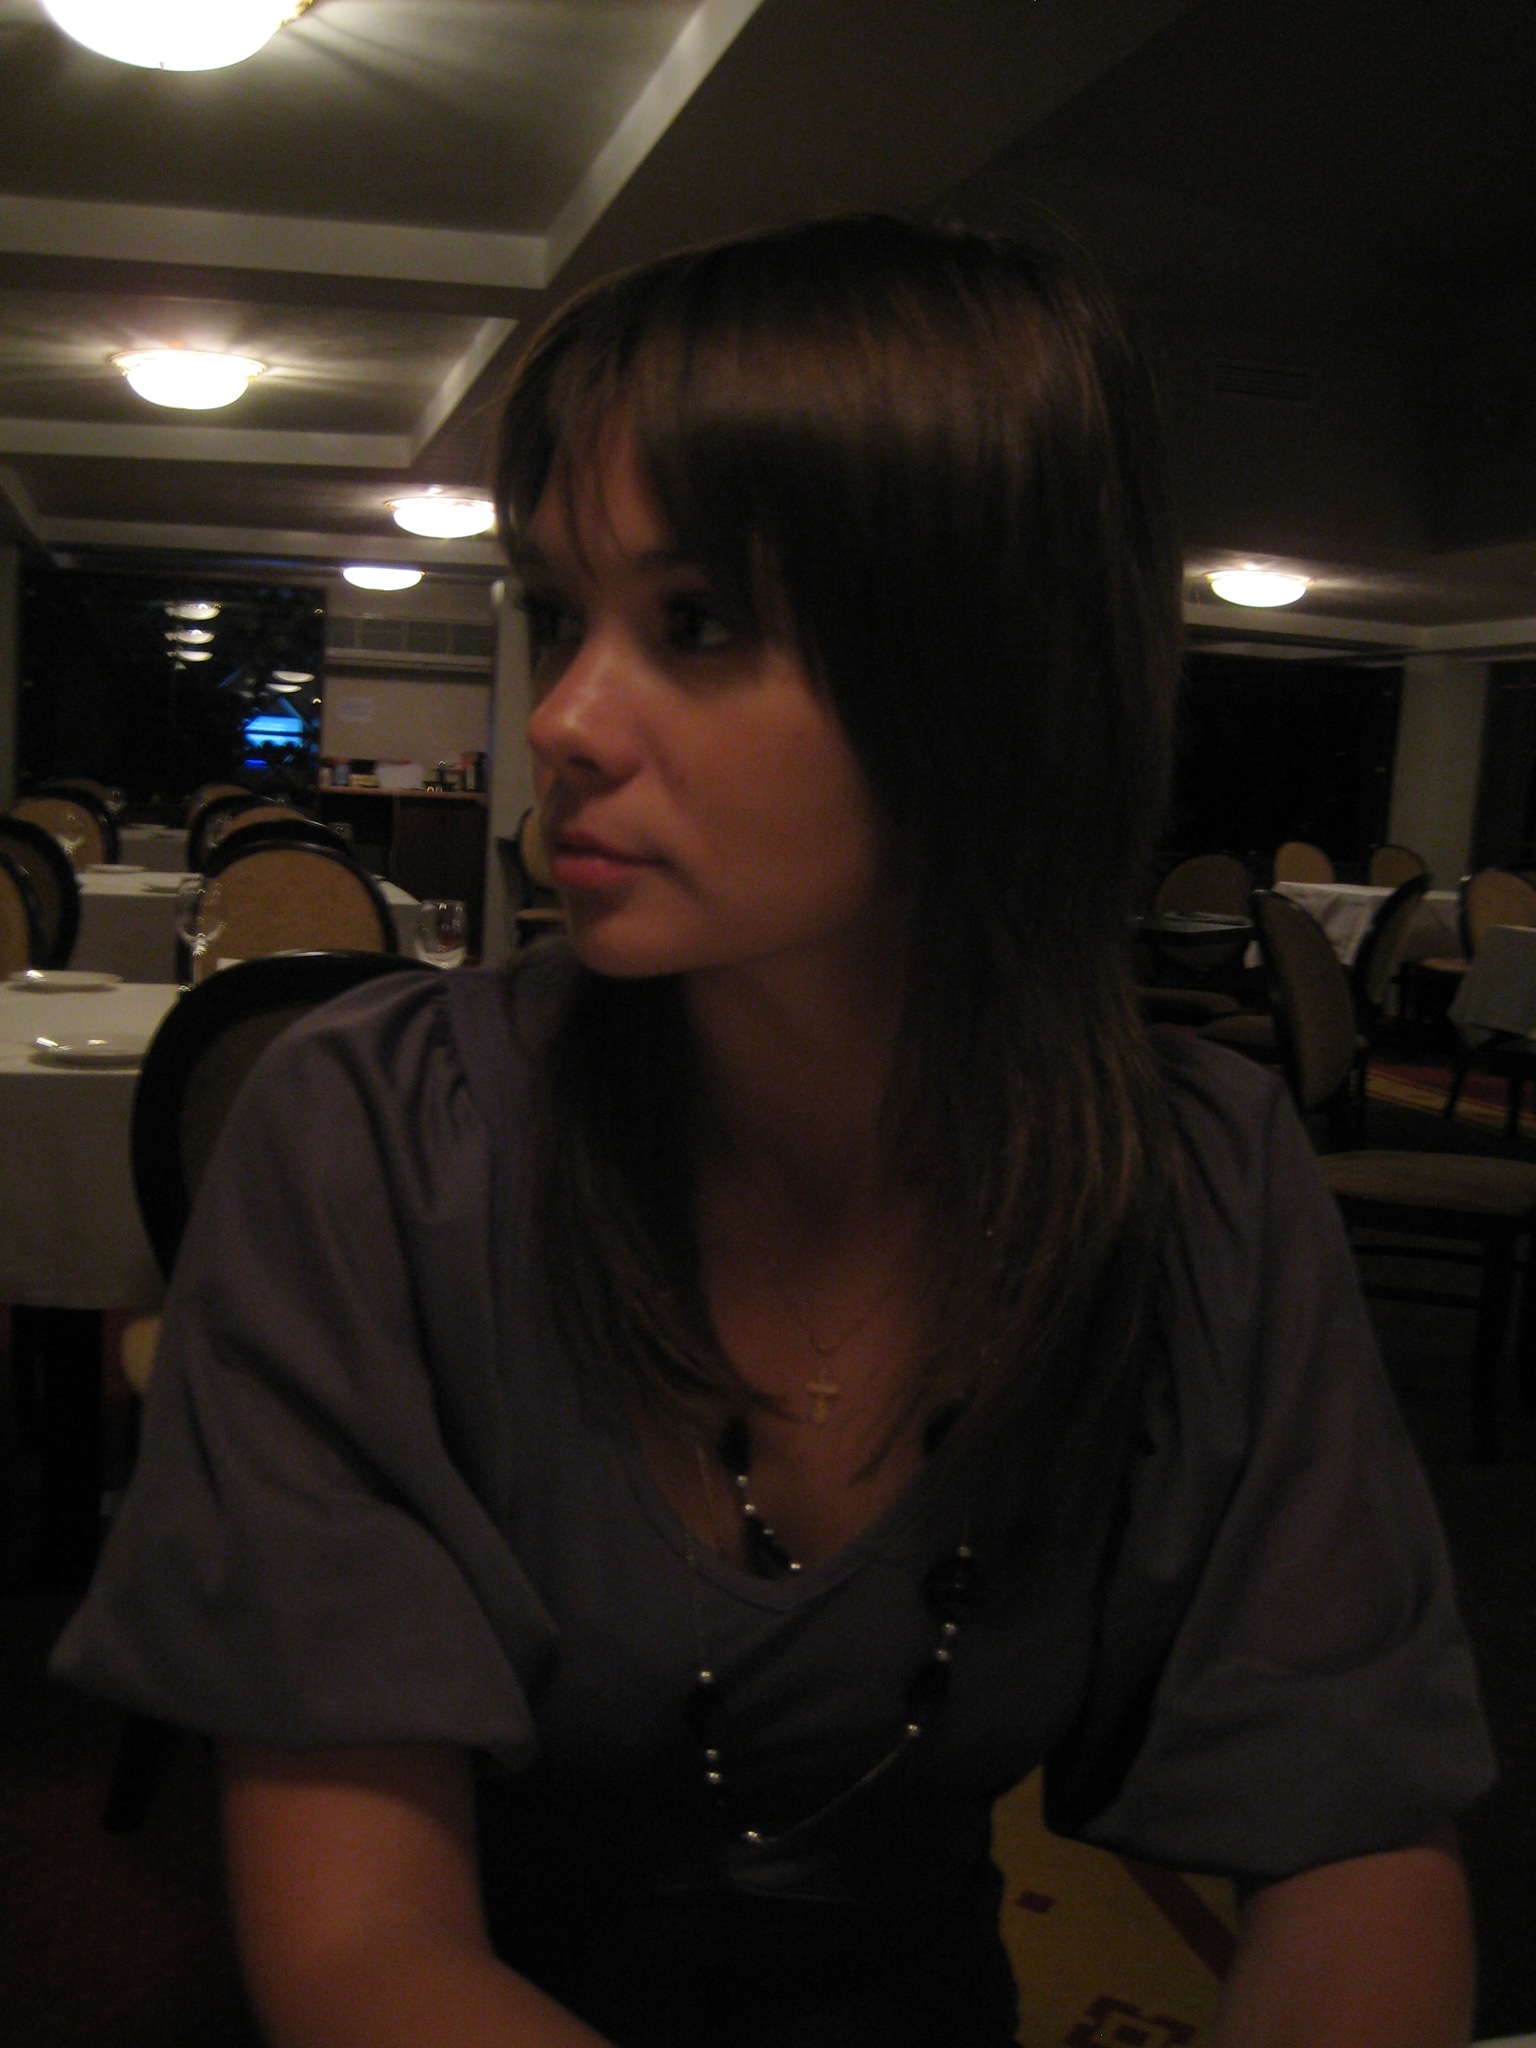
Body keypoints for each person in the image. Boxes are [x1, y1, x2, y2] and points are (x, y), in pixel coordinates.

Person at [54, 213, 1493, 2048]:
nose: (564, 718)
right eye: (562, 612)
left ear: (991, 676)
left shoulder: (1195, 1178)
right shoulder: (381, 1133)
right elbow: (363, 1954)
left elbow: (1360, 1848)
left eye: (699, 622)